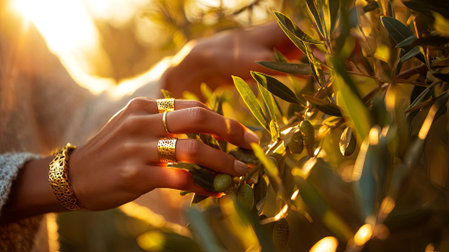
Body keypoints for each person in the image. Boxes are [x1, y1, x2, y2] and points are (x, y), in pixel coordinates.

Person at [0, 3, 295, 251]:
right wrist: (62, 177)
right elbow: (83, 160)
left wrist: (183, 74)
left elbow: (80, 120)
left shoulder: (12, 21)